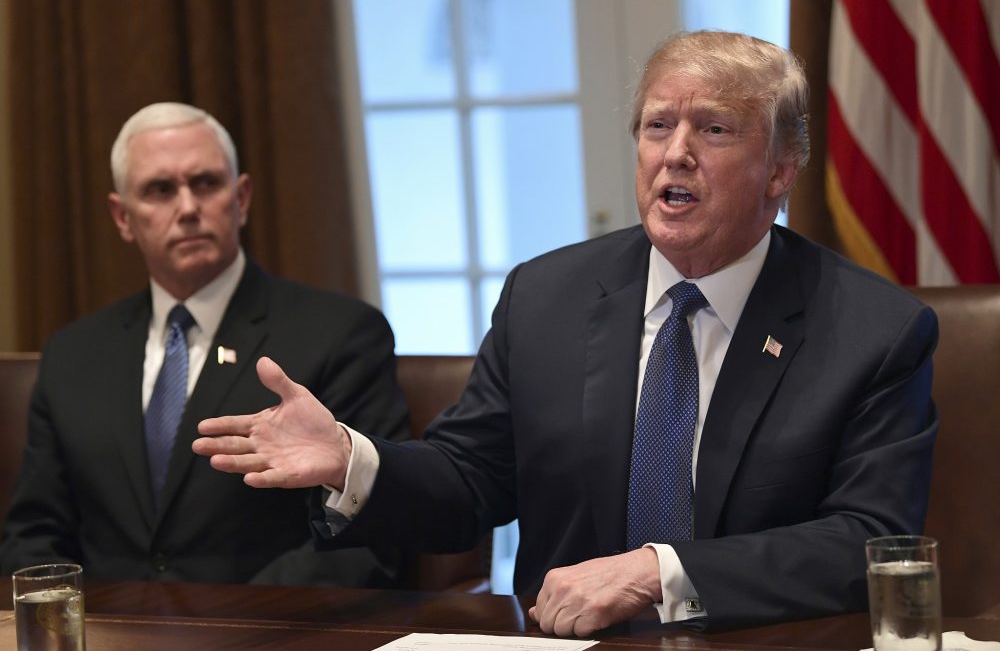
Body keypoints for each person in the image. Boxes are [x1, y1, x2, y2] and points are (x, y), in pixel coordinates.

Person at [193, 31, 938, 634]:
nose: (675, 152)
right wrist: (351, 462)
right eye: (657, 125)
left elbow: (867, 540)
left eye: (713, 128)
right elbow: (469, 480)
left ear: (781, 169)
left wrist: (658, 570)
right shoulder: (546, 296)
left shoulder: (873, 330)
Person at [0, 102, 409, 586]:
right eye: (160, 190)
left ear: (242, 198)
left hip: (267, 634)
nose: (188, 207)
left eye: (206, 184)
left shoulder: (340, 334)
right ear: (123, 217)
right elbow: (33, 535)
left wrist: (226, 628)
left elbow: (367, 538)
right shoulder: (73, 354)